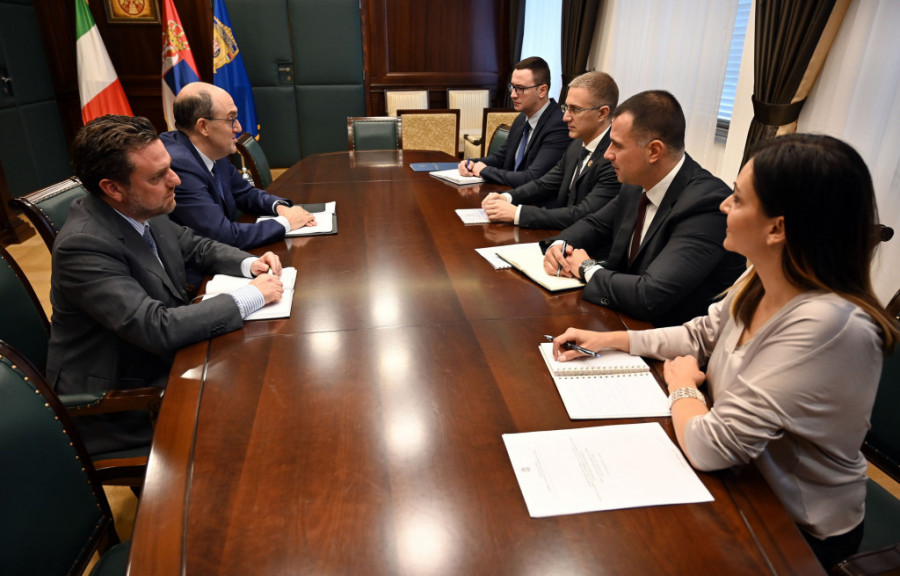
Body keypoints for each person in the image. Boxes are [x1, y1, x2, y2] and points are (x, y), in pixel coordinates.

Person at [551, 134, 898, 571]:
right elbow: (701, 335)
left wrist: (682, 387)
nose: (723, 206)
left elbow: (710, 447)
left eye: (737, 198)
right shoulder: (762, 276)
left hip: (794, 526)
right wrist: (612, 341)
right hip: (741, 478)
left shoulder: (827, 325)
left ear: (777, 228)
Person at [48, 114, 286, 455]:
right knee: (260, 419)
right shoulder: (83, 245)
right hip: (124, 402)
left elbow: (194, 245)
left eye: (170, 167)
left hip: (167, 363)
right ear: (113, 188)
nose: (175, 180)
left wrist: (249, 264)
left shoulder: (142, 205)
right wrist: (251, 296)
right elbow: (155, 326)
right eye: (158, 176)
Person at [542, 90, 745, 326]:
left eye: (617, 145)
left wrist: (587, 268)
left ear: (654, 151)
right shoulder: (637, 182)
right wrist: (560, 247)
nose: (607, 154)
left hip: (675, 337)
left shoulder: (707, 205)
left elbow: (650, 296)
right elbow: (595, 224)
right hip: (622, 318)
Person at [162, 82, 316, 251]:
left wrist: (280, 208)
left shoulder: (213, 149)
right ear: (204, 126)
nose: (238, 127)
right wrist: (286, 223)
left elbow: (245, 193)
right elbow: (222, 236)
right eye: (231, 119)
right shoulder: (179, 165)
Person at [481, 71, 620, 229]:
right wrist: (507, 197)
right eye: (566, 108)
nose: (565, 117)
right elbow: (545, 184)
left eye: (575, 109)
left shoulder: (614, 157)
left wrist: (518, 213)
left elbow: (583, 213)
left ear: (602, 113)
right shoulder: (577, 144)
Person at [457, 57, 571, 187]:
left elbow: (532, 178)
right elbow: (501, 158)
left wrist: (485, 170)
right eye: (512, 87)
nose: (513, 95)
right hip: (509, 193)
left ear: (542, 91)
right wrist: (471, 163)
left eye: (520, 88)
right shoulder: (521, 119)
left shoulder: (559, 125)